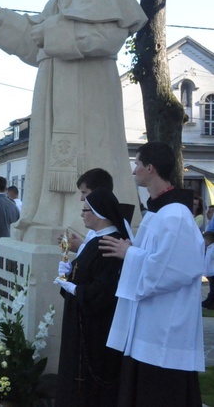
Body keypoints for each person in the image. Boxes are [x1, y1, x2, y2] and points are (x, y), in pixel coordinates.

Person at [0, 0, 146, 242]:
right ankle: (47, 217)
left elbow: (107, 39)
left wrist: (50, 32)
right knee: (50, 158)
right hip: (55, 89)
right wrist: (4, 20)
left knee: (89, 155)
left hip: (88, 91)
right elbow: (37, 47)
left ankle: (80, 224)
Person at [100, 142, 204, 407]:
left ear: (150, 168)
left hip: (165, 331)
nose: (134, 169)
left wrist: (129, 253)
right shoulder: (158, 211)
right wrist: (132, 253)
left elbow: (173, 270)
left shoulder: (176, 216)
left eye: (137, 164)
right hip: (150, 325)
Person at [53, 188, 126, 406]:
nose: (82, 214)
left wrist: (75, 289)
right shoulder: (96, 241)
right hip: (80, 321)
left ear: (99, 213)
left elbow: (104, 289)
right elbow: (84, 274)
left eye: (86, 210)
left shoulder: (108, 243)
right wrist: (67, 272)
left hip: (94, 328)